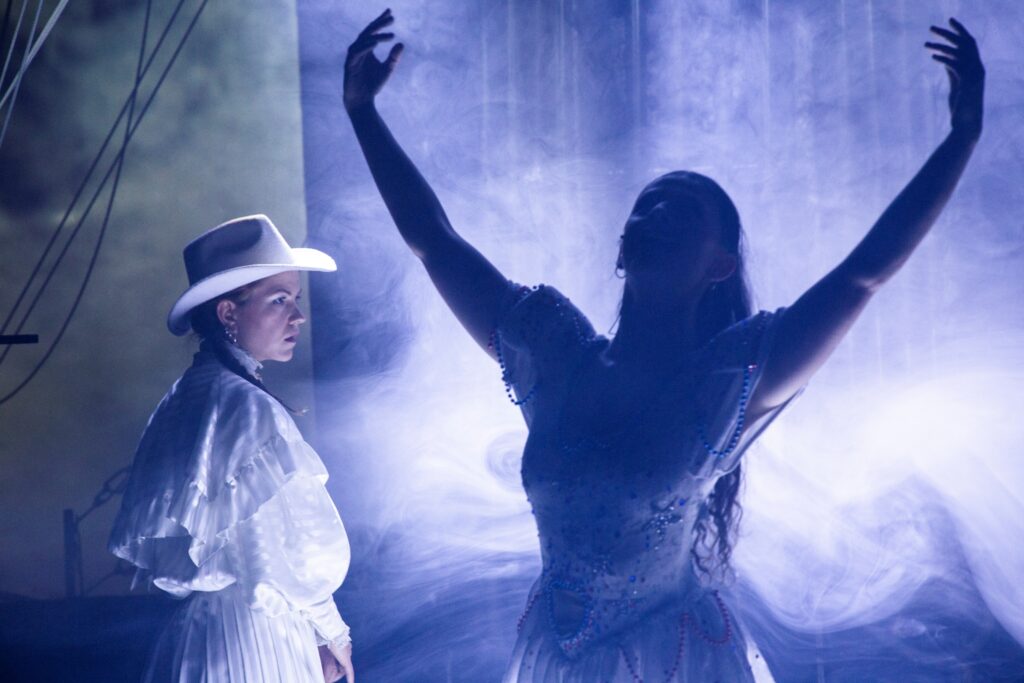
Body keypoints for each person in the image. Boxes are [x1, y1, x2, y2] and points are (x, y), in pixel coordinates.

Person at [343, 9, 984, 681]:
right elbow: (435, 241)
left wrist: (962, 138)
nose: (651, 216)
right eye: (644, 207)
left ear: (719, 265)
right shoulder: (552, 350)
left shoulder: (726, 381)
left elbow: (862, 275)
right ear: (622, 249)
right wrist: (363, 113)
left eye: (677, 211)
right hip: (556, 658)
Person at [108, 215, 355, 682]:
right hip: (256, 640)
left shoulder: (184, 397)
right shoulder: (245, 405)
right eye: (279, 300)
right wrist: (332, 631)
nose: (297, 317)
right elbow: (280, 553)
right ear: (227, 314)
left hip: (195, 639)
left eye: (296, 300)